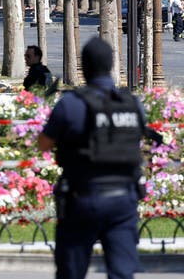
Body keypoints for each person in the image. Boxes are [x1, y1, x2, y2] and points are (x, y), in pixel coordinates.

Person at [37, 37, 146, 279]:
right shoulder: (131, 104)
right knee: (122, 273)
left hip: (82, 198)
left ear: (84, 67)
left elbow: (43, 144)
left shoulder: (71, 104)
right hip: (123, 199)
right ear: (110, 65)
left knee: (71, 272)